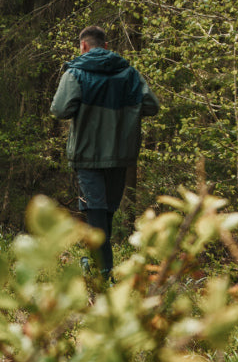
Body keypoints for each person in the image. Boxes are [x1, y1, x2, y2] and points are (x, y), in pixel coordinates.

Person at [50, 25, 161, 278]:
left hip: (87, 155)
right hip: (119, 154)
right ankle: (96, 264)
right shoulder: (129, 74)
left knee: (96, 210)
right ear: (106, 46)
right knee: (105, 211)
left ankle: (102, 272)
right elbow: (152, 106)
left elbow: (60, 110)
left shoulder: (75, 73)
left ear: (83, 46)